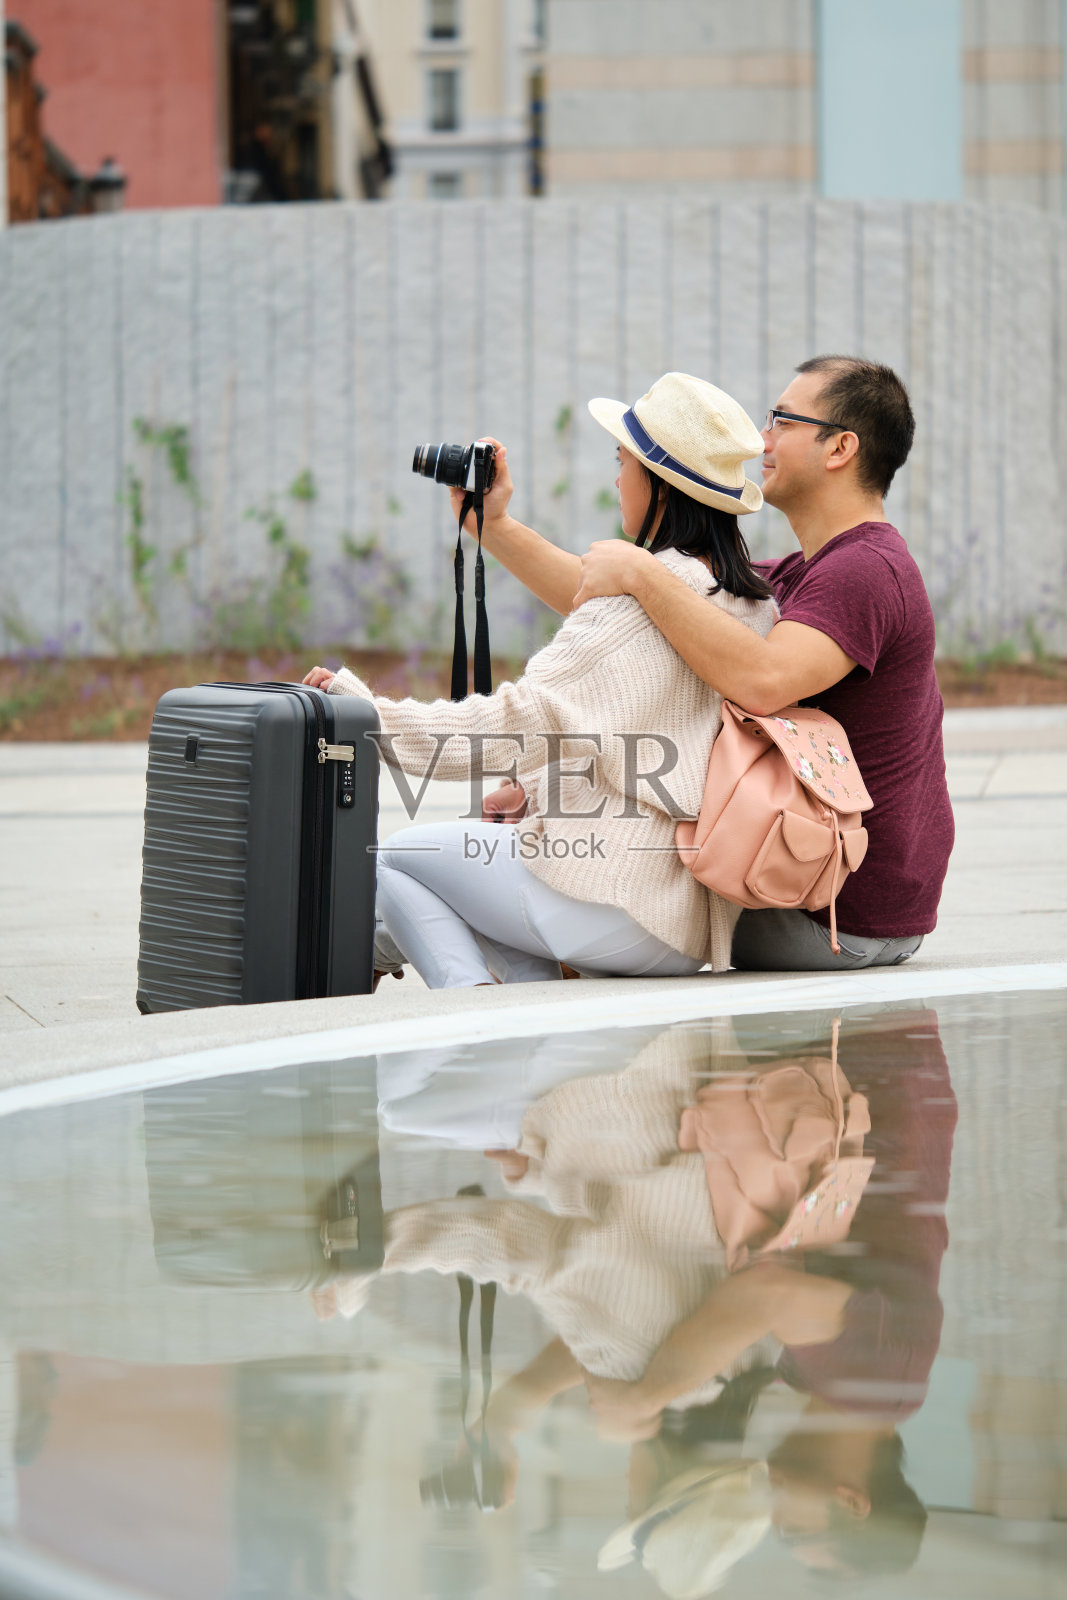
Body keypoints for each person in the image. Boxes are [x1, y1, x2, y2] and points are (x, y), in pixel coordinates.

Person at [472, 356, 954, 972]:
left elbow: (762, 679)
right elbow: (624, 602)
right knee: (533, 873)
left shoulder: (864, 571)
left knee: (538, 883)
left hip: (829, 912)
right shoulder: (811, 572)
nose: (763, 437)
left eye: (783, 419)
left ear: (841, 448)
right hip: (803, 881)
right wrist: (495, 526)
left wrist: (644, 571)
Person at [304, 373, 777, 989]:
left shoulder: (634, 599)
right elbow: (626, 728)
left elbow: (518, 721)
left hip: (608, 895)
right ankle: (517, 1013)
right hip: (687, 923)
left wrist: (366, 715)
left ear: (659, 483)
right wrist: (532, 788)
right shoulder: (754, 608)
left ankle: (469, 1010)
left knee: (394, 860)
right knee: (476, 894)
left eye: (622, 462)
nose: (616, 480)